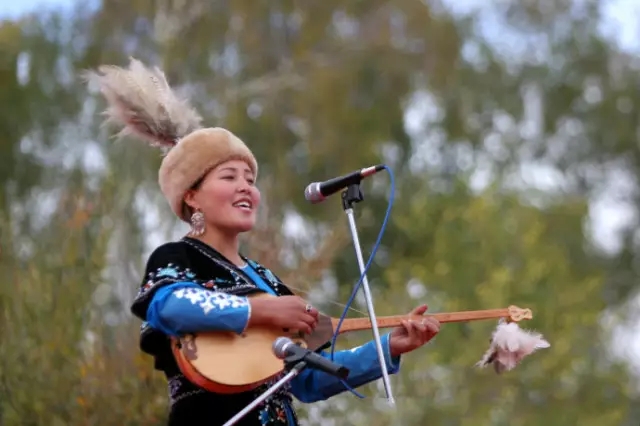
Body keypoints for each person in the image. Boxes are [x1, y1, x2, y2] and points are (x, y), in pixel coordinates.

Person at [85, 58, 440, 426]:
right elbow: (168, 305)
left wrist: (389, 347)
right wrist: (261, 312)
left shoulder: (266, 280)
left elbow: (305, 380)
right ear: (191, 195)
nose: (246, 187)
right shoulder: (177, 257)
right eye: (229, 177)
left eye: (250, 180)